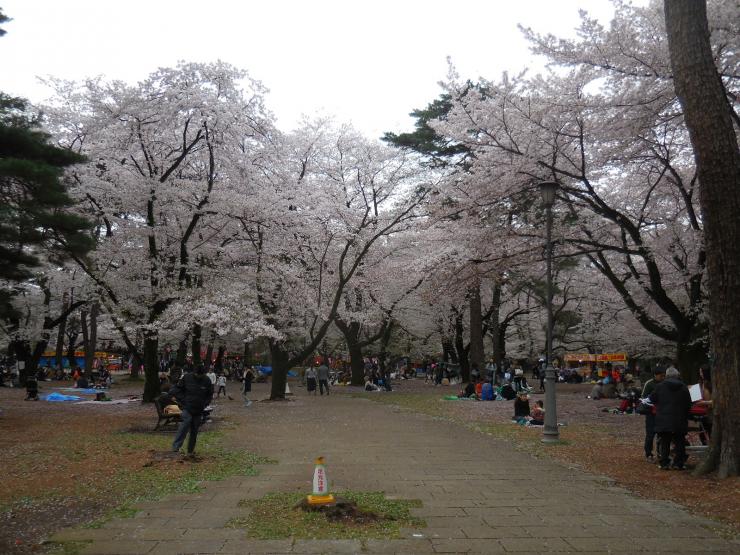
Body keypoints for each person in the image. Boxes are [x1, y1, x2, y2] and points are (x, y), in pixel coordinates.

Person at [649, 367, 692, 470]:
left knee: (665, 441)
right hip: (680, 418)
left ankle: (664, 463)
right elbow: (688, 403)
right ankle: (679, 463)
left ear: (666, 375)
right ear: (678, 375)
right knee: (680, 441)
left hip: (664, 418)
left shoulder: (660, 386)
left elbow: (652, 399)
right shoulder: (684, 387)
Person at [170, 365, 214, 458]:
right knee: (186, 421)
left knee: (194, 430)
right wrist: (183, 400)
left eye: (201, 375)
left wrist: (205, 404)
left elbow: (209, 394)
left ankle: (190, 450)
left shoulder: (207, 381)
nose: (198, 376)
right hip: (187, 407)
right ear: (194, 373)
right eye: (197, 374)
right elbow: (176, 390)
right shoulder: (187, 378)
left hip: (198, 409)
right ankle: (176, 446)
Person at [641, 367, 665, 462]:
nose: (662, 377)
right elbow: (643, 397)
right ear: (655, 375)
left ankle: (660, 452)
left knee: (662, 433)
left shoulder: (665, 383)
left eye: (664, 375)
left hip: (662, 412)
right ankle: (648, 453)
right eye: (661, 376)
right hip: (651, 412)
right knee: (650, 434)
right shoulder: (649, 383)